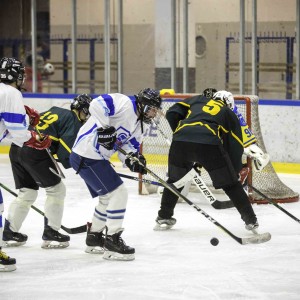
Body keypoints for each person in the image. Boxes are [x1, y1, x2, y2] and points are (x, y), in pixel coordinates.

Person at [69, 88, 162, 261]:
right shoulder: (124, 103)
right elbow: (96, 104)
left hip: (95, 157)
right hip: (86, 153)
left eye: (156, 109)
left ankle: (94, 238)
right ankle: (112, 240)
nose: (154, 112)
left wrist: (133, 160)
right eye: (152, 108)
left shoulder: (140, 125)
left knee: (107, 197)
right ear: (142, 104)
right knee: (119, 192)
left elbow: (126, 147)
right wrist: (105, 128)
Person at [154, 89, 261, 232]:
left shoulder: (197, 99)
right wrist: (233, 171)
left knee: (175, 180)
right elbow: (235, 145)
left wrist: (181, 133)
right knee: (231, 185)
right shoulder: (228, 113)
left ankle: (163, 217)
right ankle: (251, 220)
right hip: (209, 145)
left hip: (180, 142)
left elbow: (172, 112)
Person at [3, 94, 92, 249]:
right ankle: (51, 232)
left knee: (27, 192)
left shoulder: (56, 110)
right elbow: (66, 155)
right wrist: (87, 165)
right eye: (85, 112)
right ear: (79, 110)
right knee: (57, 190)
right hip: (35, 150)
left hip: (16, 147)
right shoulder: (74, 122)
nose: (86, 117)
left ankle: (9, 232)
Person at [0, 57, 50, 271]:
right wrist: (34, 139)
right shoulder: (11, 93)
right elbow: (15, 129)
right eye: (21, 72)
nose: (24, 76)